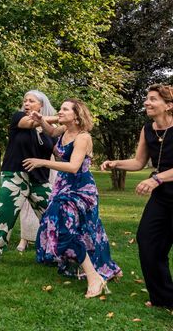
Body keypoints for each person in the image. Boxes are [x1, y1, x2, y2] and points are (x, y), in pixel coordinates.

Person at [24, 99, 122, 298]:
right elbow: (51, 133)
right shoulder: (63, 130)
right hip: (63, 186)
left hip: (80, 189)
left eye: (64, 109)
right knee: (80, 228)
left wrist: (42, 162)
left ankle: (95, 277)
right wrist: (42, 121)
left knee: (70, 227)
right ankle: (106, 267)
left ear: (76, 116)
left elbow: (73, 167)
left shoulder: (82, 137)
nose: (60, 111)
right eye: (60, 108)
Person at [101, 84, 173, 308]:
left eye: (153, 99)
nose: (147, 102)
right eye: (147, 98)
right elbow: (139, 161)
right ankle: (164, 298)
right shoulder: (147, 129)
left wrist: (156, 179)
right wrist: (116, 164)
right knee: (148, 241)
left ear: (169, 105)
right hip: (163, 197)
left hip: (162, 185)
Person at [0, 90, 56, 265]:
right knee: (2, 216)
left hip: (40, 180)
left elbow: (58, 152)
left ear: (41, 105)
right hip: (14, 175)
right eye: (25, 100)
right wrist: (62, 118)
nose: (26, 103)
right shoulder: (19, 118)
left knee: (54, 215)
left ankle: (58, 255)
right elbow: (31, 123)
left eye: (31, 101)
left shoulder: (49, 131)